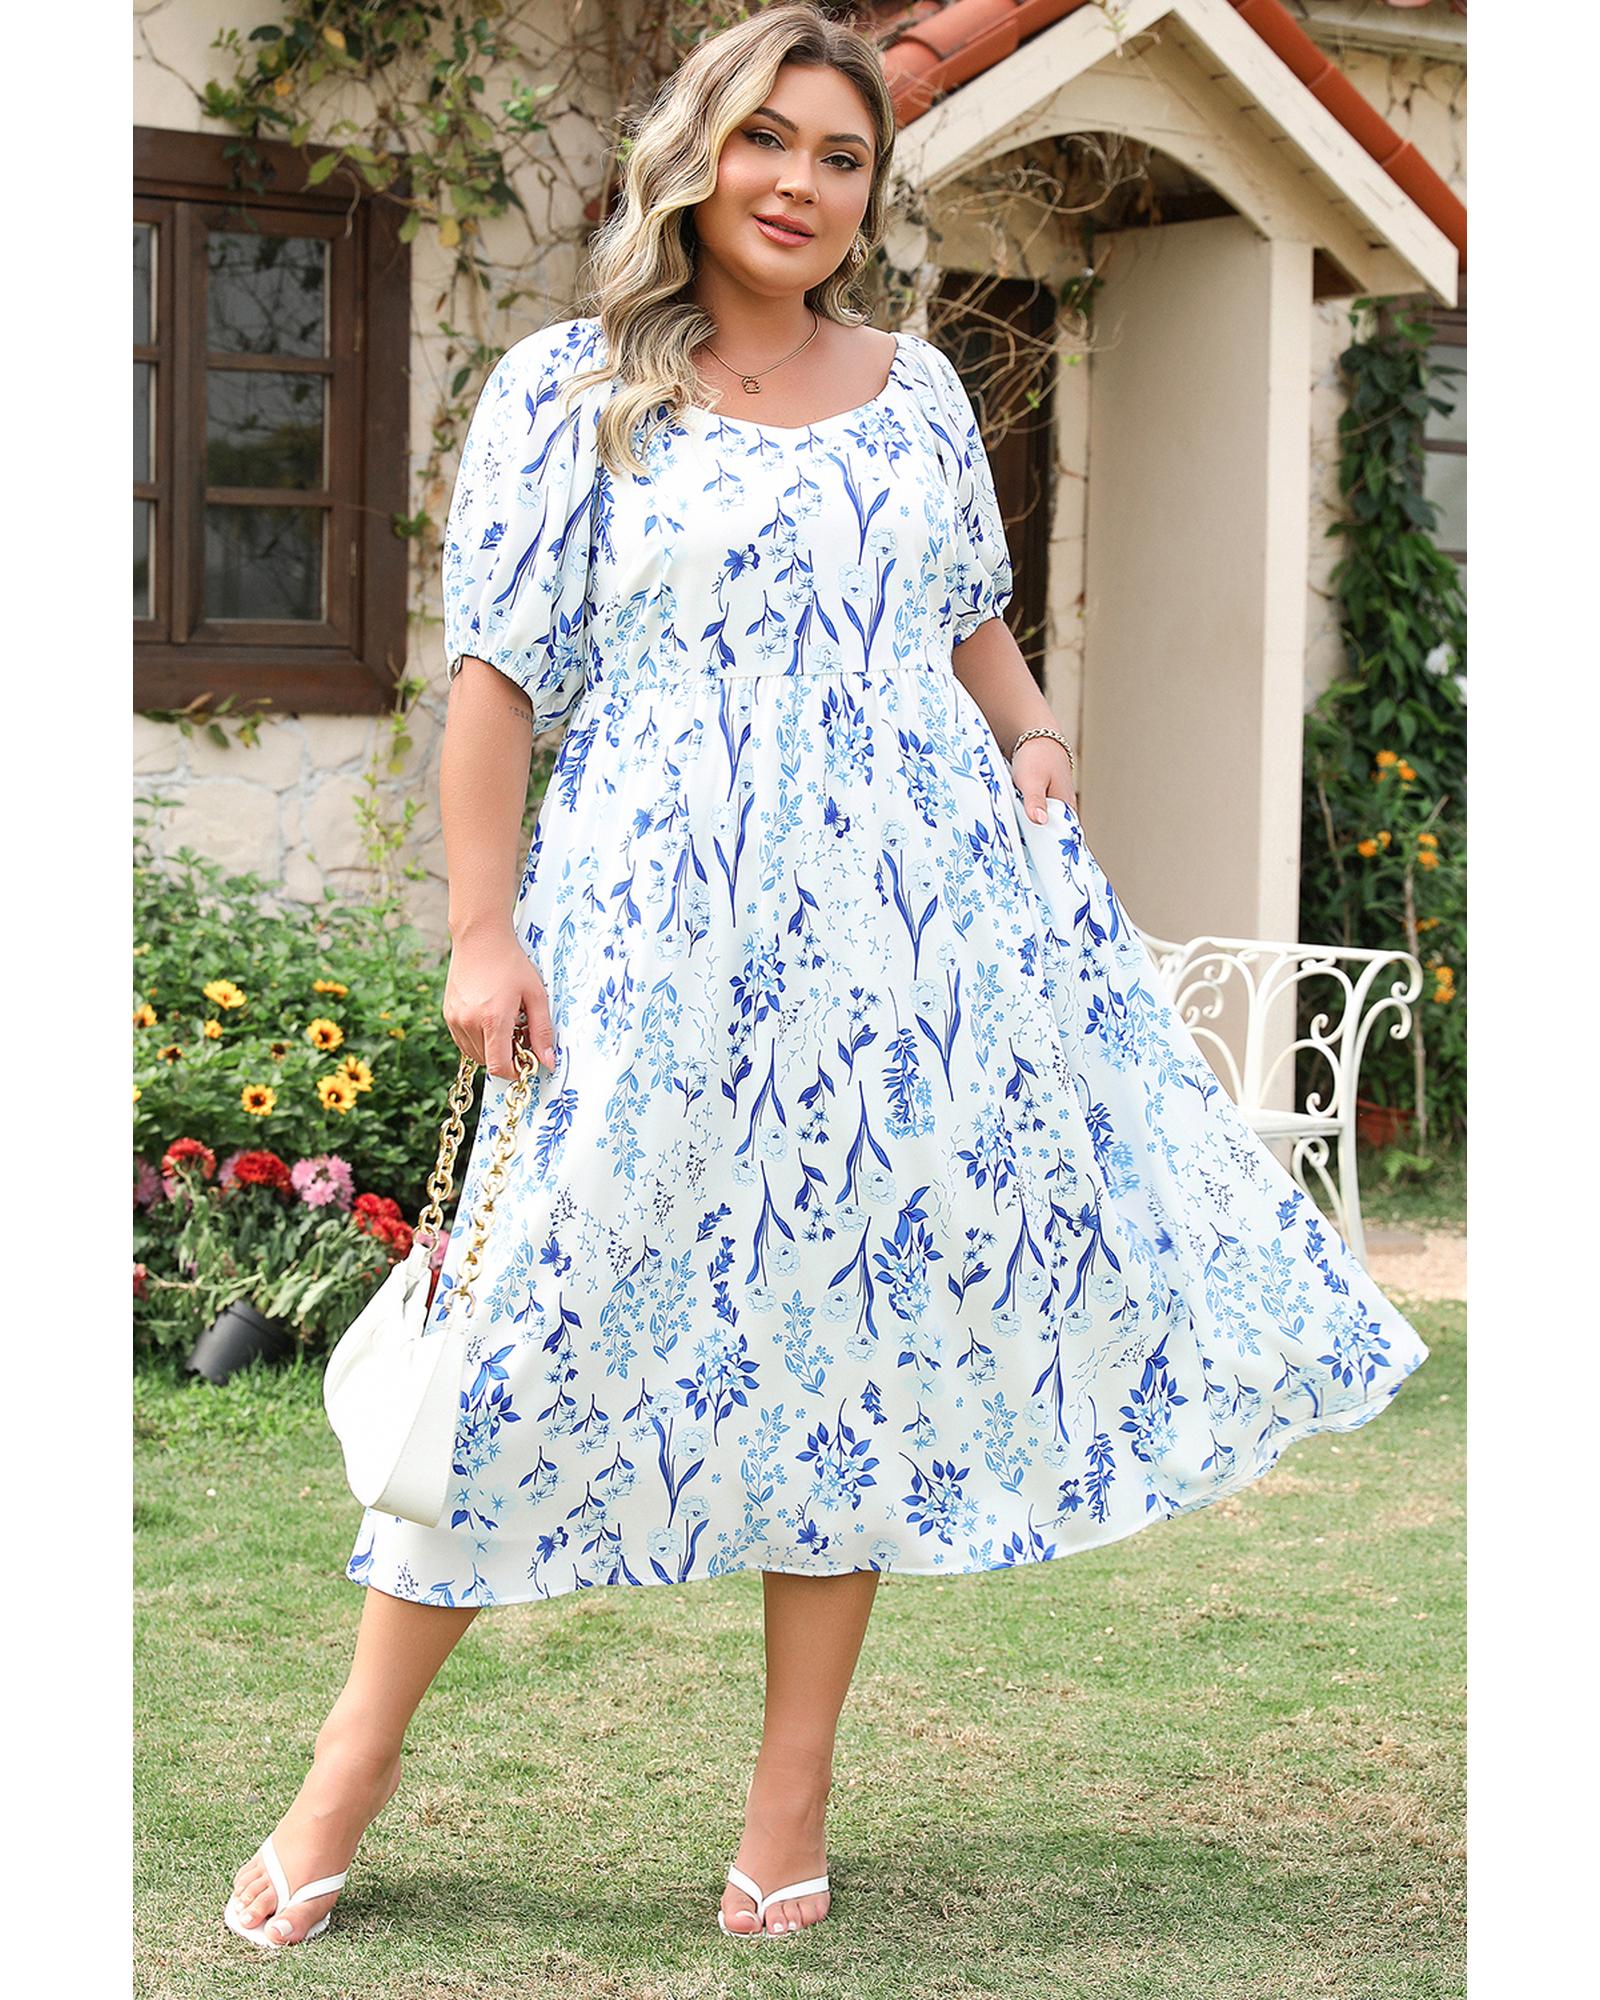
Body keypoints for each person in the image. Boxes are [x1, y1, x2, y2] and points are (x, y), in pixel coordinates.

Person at [224, 1, 1430, 1952]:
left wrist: (1034, 736)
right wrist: (479, 929)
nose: (800, 182)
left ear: (872, 189)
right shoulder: (567, 390)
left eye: (842, 155)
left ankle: (788, 1801)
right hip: (649, 932)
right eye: (768, 139)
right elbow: (495, 685)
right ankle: (342, 1772)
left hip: (901, 939)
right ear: (698, 155)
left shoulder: (919, 392)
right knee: (524, 1329)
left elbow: (969, 621)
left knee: (849, 1345)